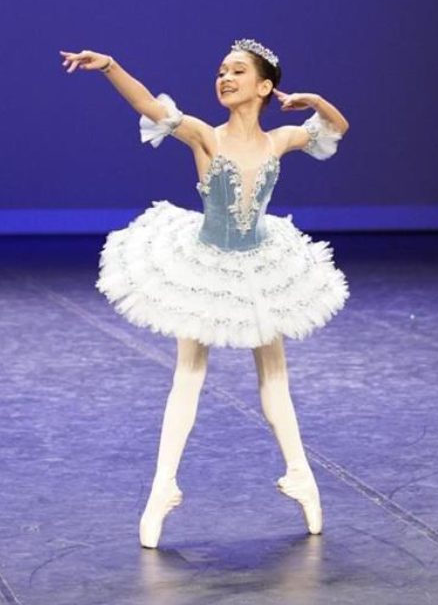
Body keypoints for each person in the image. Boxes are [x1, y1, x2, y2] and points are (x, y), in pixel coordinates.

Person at [59, 39, 350, 549]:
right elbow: (149, 105)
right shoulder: (204, 136)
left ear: (263, 87)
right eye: (220, 70)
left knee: (275, 377)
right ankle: (162, 487)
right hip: (206, 264)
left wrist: (312, 100)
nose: (224, 78)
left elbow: (336, 128)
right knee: (188, 374)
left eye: (237, 71)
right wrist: (109, 65)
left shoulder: (279, 139)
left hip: (261, 263)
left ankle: (301, 474)